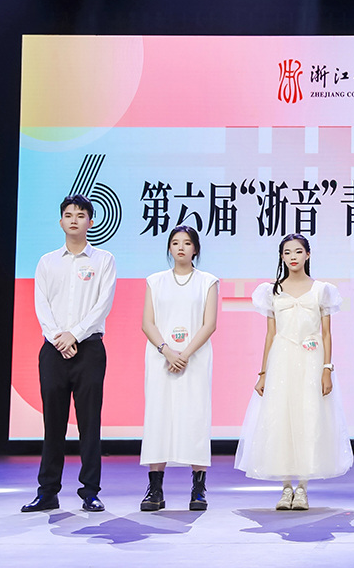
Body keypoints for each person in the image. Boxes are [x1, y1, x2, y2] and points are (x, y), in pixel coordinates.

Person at [235, 234, 352, 510]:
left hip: (312, 359)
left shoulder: (322, 290)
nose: (293, 257)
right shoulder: (271, 291)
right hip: (281, 360)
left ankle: (303, 488)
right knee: (281, 419)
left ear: (308, 255)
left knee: (309, 417)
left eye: (298, 251)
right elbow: (270, 335)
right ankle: (285, 487)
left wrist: (327, 368)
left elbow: (326, 334)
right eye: (287, 252)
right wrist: (263, 373)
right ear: (282, 257)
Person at [22, 194, 116, 513]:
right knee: (54, 423)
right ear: (60, 221)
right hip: (53, 350)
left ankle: (90, 491)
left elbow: (103, 304)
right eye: (68, 214)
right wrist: (58, 338)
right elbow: (41, 304)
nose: (74, 219)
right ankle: (47, 491)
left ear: (91, 221)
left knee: (89, 423)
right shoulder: (47, 262)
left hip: (89, 349)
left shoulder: (104, 260)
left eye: (80, 215)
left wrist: (74, 334)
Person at [139, 226, 219, 511]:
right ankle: (155, 489)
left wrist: (183, 354)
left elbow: (209, 324)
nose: (181, 247)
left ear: (195, 249)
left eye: (187, 243)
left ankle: (198, 489)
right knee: (158, 416)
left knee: (195, 416)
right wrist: (167, 351)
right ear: (169, 248)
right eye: (175, 243)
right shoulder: (155, 281)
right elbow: (147, 323)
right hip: (160, 358)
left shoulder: (207, 281)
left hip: (194, 358)